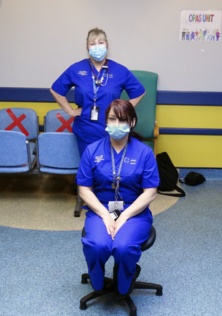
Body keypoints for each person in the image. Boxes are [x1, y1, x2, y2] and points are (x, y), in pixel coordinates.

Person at [76, 99, 159, 296]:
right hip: (101, 208)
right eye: (112, 119)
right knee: (96, 245)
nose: (117, 124)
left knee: (123, 247)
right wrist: (105, 215)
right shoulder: (92, 150)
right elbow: (84, 189)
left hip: (134, 211)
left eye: (123, 120)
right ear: (106, 121)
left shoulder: (144, 153)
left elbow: (150, 192)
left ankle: (124, 284)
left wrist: (125, 215)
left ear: (131, 123)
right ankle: (97, 283)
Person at [50, 27, 146, 155]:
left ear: (107, 45)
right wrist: (70, 110)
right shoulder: (77, 69)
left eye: (101, 42)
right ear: (87, 47)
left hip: (112, 129)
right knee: (88, 167)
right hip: (85, 129)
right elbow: (56, 89)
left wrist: (122, 111)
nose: (97, 47)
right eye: (92, 43)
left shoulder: (119, 70)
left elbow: (139, 92)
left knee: (109, 168)